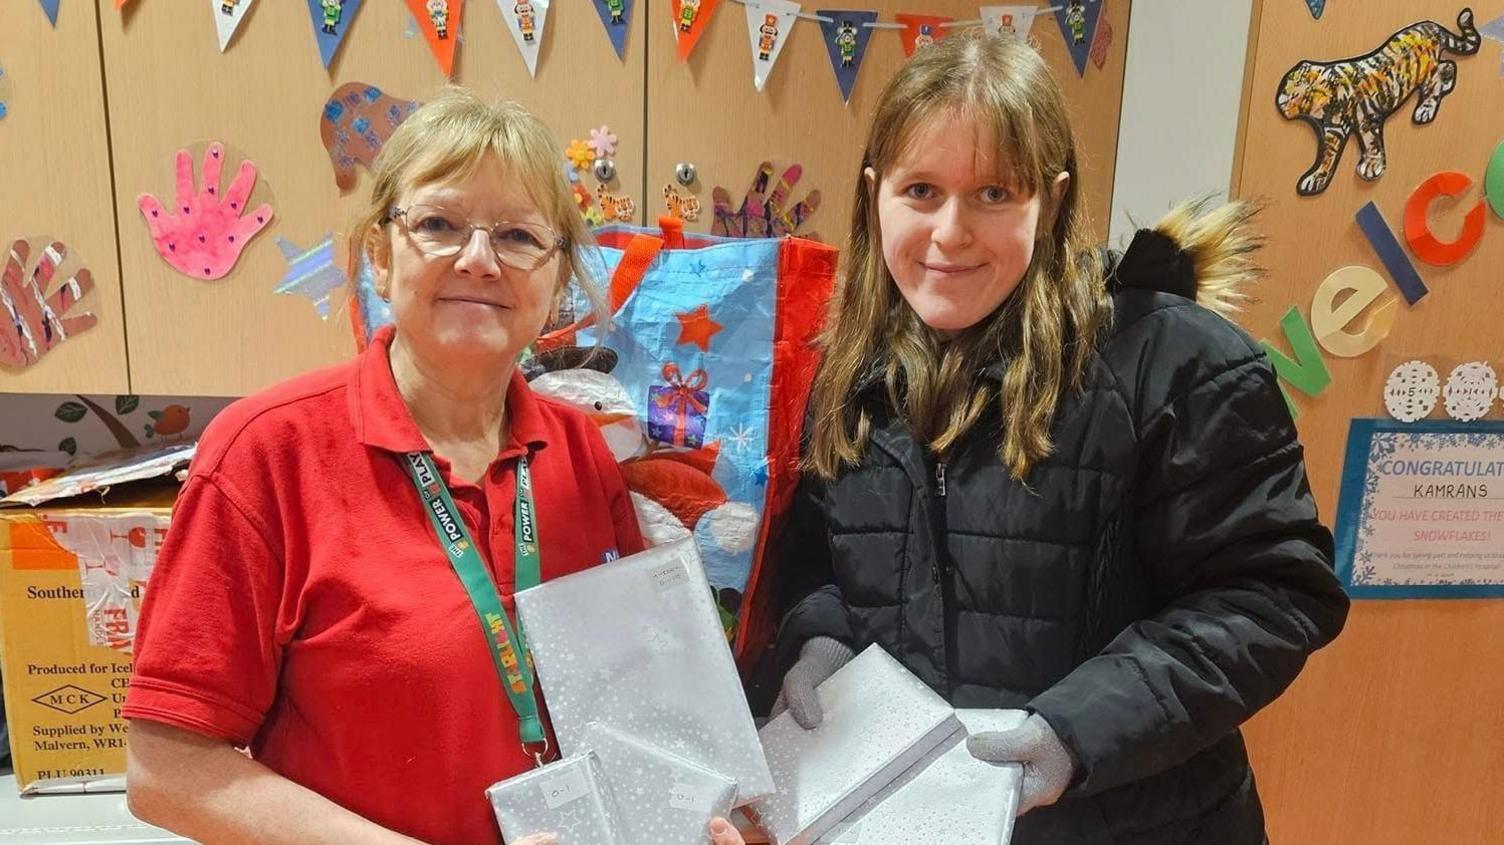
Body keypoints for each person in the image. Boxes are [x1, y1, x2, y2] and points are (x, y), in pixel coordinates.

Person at [769, 33, 1350, 844]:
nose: (949, 232)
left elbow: (1275, 595)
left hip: (1139, 823)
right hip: (915, 821)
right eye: (922, 190)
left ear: (1052, 197)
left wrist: (1072, 733)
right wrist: (820, 638)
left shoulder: (1172, 362)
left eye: (994, 193)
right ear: (876, 195)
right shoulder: (850, 378)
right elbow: (818, 563)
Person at [123, 89, 747, 845]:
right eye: (440, 224)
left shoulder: (581, 454)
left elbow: (629, 706)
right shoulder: (266, 452)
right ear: (380, 257)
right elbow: (166, 767)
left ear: (553, 282)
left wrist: (689, 816)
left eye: (518, 236)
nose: (479, 259)